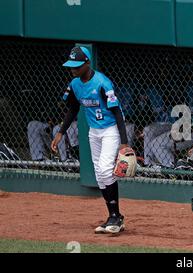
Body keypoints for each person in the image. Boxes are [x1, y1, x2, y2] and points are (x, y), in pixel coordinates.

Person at [51, 46, 129, 234]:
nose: (73, 69)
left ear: (88, 63)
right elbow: (73, 108)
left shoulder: (102, 83)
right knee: (99, 173)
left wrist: (124, 143)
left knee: (104, 170)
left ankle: (115, 217)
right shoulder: (75, 84)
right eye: (71, 66)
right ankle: (114, 217)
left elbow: (117, 112)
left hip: (110, 130)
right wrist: (61, 132)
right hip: (93, 132)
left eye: (77, 65)